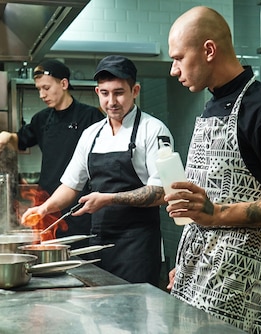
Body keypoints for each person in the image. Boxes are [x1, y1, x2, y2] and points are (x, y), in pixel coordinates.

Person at [165, 6, 261, 334]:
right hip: (197, 269)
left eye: (178, 58)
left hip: (235, 278)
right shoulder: (210, 106)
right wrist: (189, 263)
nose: (175, 70)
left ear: (208, 50)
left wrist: (216, 214)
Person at [21, 55, 173, 286]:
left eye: (119, 92)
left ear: (135, 90)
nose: (111, 101)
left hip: (137, 245)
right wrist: (43, 209)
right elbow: (71, 185)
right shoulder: (91, 134)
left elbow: (163, 192)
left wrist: (109, 199)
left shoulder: (153, 130)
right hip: (97, 241)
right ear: (97, 92)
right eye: (104, 93)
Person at [0, 60, 104, 242]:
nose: (42, 95)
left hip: (79, 203)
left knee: (81, 257)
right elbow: (21, 140)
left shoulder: (90, 116)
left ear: (64, 84)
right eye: (39, 89)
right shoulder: (41, 119)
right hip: (48, 201)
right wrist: (7, 136)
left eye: (46, 88)